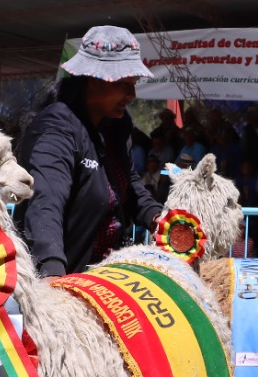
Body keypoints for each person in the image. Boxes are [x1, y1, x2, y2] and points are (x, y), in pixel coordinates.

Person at [14, 25, 163, 276]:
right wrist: (51, 272)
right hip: (64, 277)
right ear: (95, 80)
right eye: (125, 83)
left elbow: (130, 185)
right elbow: (46, 203)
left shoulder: (116, 127)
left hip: (104, 277)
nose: (133, 94)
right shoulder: (56, 129)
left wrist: (157, 218)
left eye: (134, 84)